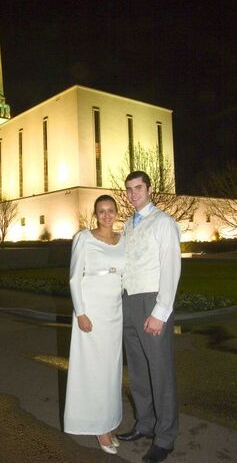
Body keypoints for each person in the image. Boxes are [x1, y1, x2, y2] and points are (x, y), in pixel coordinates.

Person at [117, 171, 181, 463]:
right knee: (139, 371)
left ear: (150, 189)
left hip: (152, 302)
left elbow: (170, 268)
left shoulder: (164, 223)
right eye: (129, 189)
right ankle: (144, 424)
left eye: (138, 188)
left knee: (160, 372)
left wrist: (161, 311)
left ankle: (165, 437)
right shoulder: (128, 225)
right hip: (129, 302)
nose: (133, 194)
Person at [64, 195, 126, 455]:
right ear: (95, 214)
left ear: (116, 212)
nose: (107, 215)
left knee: (111, 372)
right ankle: (99, 429)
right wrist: (81, 313)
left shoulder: (123, 240)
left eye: (111, 210)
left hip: (114, 312)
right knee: (94, 372)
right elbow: (74, 278)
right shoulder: (84, 238)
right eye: (101, 211)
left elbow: (125, 276)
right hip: (91, 312)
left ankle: (109, 423)